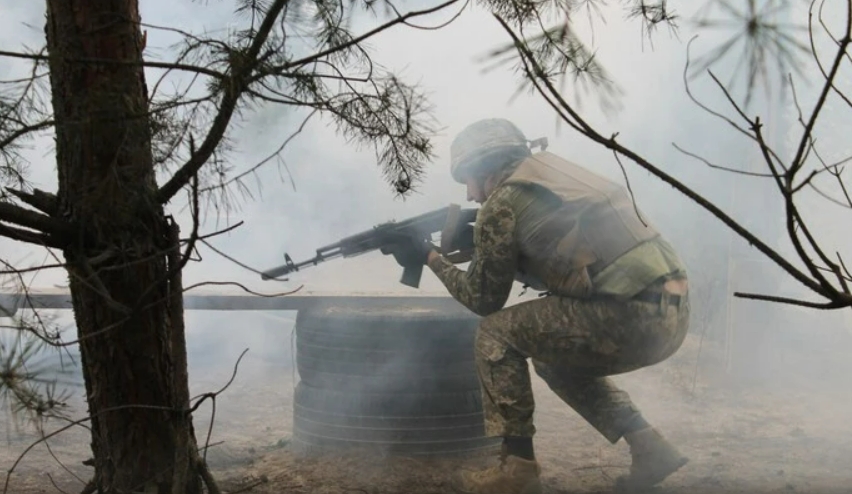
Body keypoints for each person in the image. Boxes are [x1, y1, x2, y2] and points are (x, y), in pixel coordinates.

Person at [389, 118, 691, 494]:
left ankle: (517, 469)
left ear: (485, 169)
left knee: (494, 334)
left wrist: (430, 256)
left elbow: (483, 300)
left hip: (626, 314)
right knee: (553, 359)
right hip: (671, 314)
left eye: (467, 179)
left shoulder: (502, 202)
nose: (469, 195)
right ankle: (649, 446)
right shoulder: (558, 178)